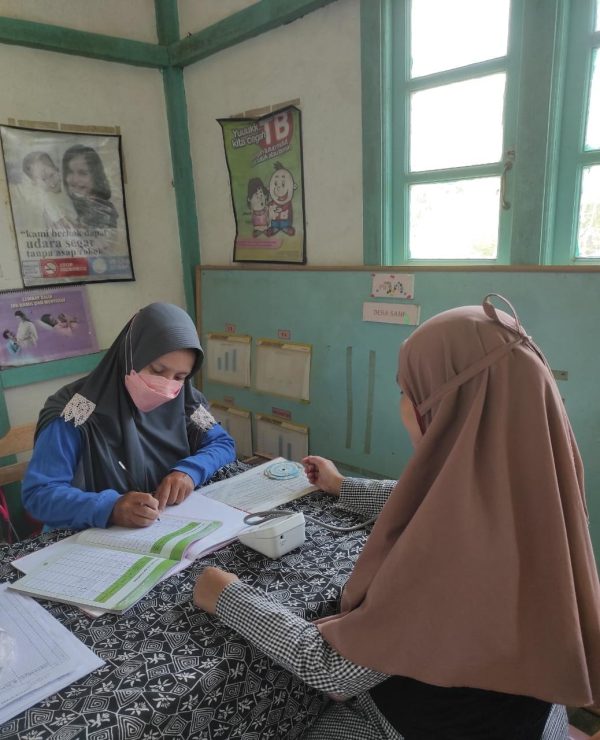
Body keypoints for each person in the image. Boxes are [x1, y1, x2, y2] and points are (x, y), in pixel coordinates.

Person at [193, 295, 600, 740]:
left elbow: (334, 673)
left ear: (450, 404)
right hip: (528, 709)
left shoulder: (451, 556)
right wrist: (343, 486)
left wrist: (227, 595)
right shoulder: (540, 479)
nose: (403, 406)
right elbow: (431, 501)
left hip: (435, 724)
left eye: (408, 393)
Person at [23, 302, 236, 531]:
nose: (167, 385)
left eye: (180, 376)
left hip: (164, 527)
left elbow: (222, 443)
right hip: (89, 537)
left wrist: (189, 471)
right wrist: (110, 507)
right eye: (157, 370)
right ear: (131, 354)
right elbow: (40, 494)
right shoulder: (79, 408)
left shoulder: (187, 401)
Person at [62, 144, 119, 231]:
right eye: (69, 172)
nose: (75, 179)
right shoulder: (70, 206)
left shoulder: (104, 212)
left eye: (82, 173)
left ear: (96, 176)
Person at [21, 150, 78, 231]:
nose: (51, 183)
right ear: (35, 183)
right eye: (43, 179)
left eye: (52, 175)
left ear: (56, 169)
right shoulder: (49, 201)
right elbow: (65, 223)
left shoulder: (66, 185)